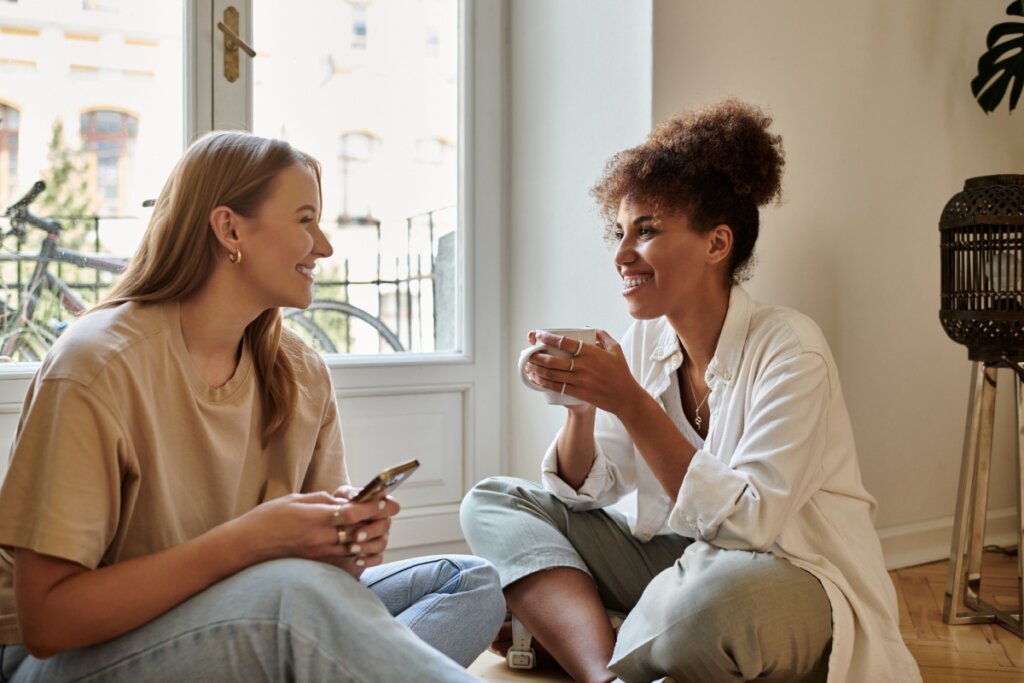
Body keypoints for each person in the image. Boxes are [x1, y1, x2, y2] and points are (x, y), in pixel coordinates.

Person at [0, 131, 504, 682]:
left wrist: (343, 545)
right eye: (306, 219)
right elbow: (48, 621)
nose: (325, 246)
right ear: (230, 228)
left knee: (469, 582)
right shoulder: (98, 364)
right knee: (294, 602)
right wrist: (251, 542)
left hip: (251, 617)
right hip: (65, 660)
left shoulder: (300, 370)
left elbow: (321, 579)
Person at [460, 99, 922, 683]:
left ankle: (596, 629)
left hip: (790, 575)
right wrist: (582, 407)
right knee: (495, 500)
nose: (623, 254)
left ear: (716, 244)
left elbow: (750, 524)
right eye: (620, 232)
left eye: (647, 231)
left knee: (705, 607)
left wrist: (628, 399)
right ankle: (605, 671)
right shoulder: (648, 338)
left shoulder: (792, 350)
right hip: (688, 560)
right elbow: (589, 491)